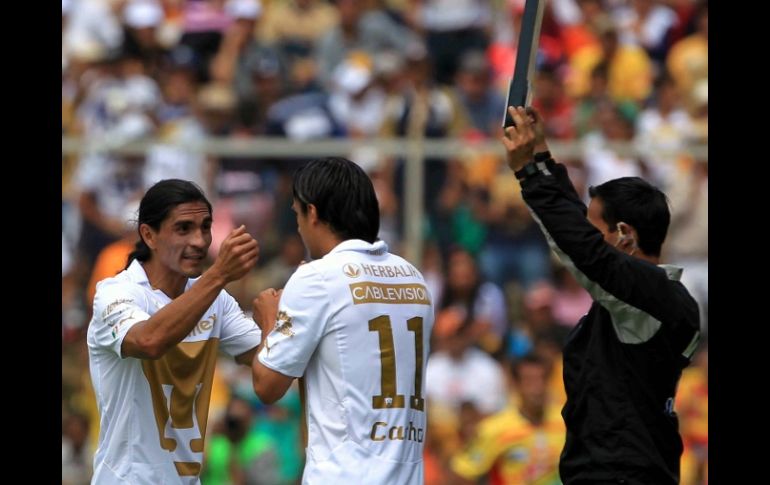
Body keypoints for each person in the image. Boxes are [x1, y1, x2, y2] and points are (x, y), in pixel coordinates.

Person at [499, 107, 700, 485]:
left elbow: (583, 250)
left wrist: (527, 172)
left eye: (597, 231)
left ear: (624, 234)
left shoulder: (652, 299)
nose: (589, 236)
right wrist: (542, 157)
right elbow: (581, 235)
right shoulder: (645, 298)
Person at [250, 157, 435, 483]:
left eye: (297, 214)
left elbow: (267, 386)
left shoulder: (318, 278)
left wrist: (270, 319)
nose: (298, 226)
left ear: (312, 212)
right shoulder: (413, 278)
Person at [86, 179, 262, 484]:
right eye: (183, 229)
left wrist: (280, 317)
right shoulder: (114, 293)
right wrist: (219, 274)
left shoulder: (215, 299)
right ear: (149, 235)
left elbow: (271, 362)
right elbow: (149, 341)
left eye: (205, 227)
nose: (199, 240)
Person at [450, 355, 565, 485]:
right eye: (529, 381)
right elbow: (462, 473)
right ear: (516, 384)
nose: (537, 388)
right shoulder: (494, 428)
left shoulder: (566, 421)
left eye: (542, 379)